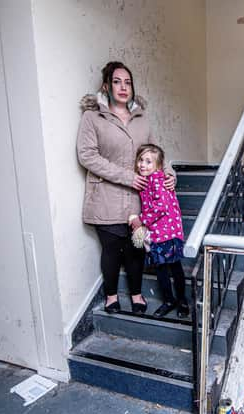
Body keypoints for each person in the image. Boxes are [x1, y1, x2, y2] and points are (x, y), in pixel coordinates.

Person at [77, 61, 176, 314]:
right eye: (117, 81)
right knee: (111, 250)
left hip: (138, 199)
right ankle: (111, 296)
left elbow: (157, 154)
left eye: (128, 82)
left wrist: (169, 174)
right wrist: (126, 176)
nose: (123, 87)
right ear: (107, 86)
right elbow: (87, 156)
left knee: (135, 248)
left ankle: (136, 294)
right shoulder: (92, 118)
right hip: (105, 198)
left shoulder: (142, 119)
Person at [131, 143, 189, 318]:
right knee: (161, 269)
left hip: (169, 233)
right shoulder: (146, 181)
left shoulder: (157, 179)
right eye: (141, 160)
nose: (143, 165)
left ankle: (182, 301)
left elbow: (161, 207)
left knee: (175, 267)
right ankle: (169, 300)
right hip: (157, 234)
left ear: (157, 166)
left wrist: (140, 220)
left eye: (148, 162)